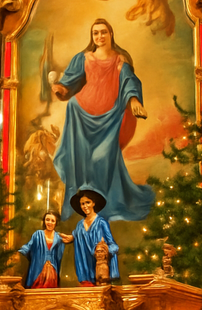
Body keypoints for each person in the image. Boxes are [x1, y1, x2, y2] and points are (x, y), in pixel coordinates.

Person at [49, 18, 154, 221]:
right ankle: (83, 206)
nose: (99, 36)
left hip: (110, 118)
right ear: (92, 36)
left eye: (103, 32)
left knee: (100, 159)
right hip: (81, 114)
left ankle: (104, 205)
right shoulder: (84, 58)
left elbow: (129, 81)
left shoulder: (119, 59)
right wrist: (61, 89)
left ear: (111, 34)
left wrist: (133, 101)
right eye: (96, 33)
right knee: (83, 160)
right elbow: (69, 81)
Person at [68, 187, 119, 285]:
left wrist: (104, 251)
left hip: (99, 273)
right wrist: (70, 237)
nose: (85, 206)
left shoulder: (101, 223)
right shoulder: (79, 225)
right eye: (82, 204)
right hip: (85, 273)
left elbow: (113, 245)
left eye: (88, 202)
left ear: (93, 203)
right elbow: (77, 235)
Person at [19, 210, 73, 288]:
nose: (49, 223)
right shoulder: (38, 235)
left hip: (52, 273)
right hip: (38, 271)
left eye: (52, 220)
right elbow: (28, 247)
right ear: (44, 221)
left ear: (56, 223)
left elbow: (62, 256)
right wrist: (19, 252)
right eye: (47, 220)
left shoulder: (58, 238)